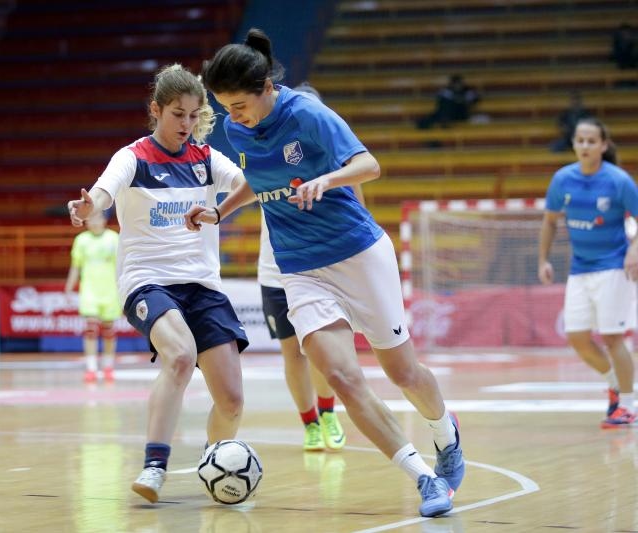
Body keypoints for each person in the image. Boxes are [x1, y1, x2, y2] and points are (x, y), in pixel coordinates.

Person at [186, 28, 464, 518]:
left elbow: (369, 164)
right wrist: (221, 210)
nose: (233, 116)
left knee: (402, 372)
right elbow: (258, 175)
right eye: (226, 107)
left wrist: (326, 179)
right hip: (299, 268)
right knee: (340, 375)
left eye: (239, 106)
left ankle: (446, 434)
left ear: (266, 87)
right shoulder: (237, 128)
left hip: (358, 254)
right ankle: (424, 479)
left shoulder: (308, 114)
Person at [66, 64, 249, 504]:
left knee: (232, 401)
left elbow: (249, 185)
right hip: (148, 282)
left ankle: (214, 461)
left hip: (202, 286)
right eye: (177, 114)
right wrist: (90, 206)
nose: (185, 125)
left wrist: (224, 207)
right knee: (182, 356)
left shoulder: (206, 159)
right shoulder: (132, 157)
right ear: (156, 110)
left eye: (192, 115)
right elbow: (105, 193)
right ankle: (155, 464)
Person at [257, 80, 348, 452]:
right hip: (275, 270)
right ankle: (309, 421)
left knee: (321, 349)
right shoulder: (268, 154)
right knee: (292, 352)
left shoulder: (336, 162)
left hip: (320, 268)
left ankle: (328, 411)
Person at [539, 117, 638, 429]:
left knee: (612, 338)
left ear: (603, 145)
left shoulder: (619, 181)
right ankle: (614, 383)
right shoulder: (562, 180)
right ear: (574, 144)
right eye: (580, 140)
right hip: (579, 269)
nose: (584, 146)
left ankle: (627, 405)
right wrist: (543, 259)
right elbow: (551, 220)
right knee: (578, 338)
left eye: (591, 141)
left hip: (613, 268)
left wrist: (634, 249)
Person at [64, 208, 120, 383]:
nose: (93, 222)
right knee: (90, 330)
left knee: (109, 331)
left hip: (110, 291)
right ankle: (91, 368)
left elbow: (121, 266)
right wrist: (69, 287)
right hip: (89, 291)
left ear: (104, 220)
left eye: (97, 218)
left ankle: (108, 367)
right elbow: (75, 266)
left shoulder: (114, 238)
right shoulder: (81, 240)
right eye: (90, 219)